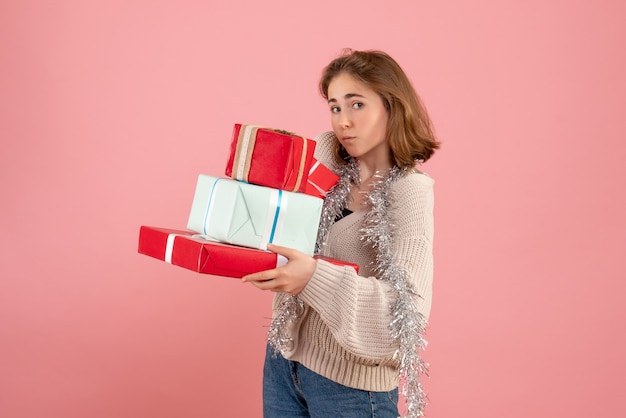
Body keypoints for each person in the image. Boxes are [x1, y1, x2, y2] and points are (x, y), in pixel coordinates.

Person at [242, 49, 440, 418]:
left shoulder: (409, 191)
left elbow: (406, 315)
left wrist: (312, 277)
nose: (343, 122)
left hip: (352, 390)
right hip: (283, 365)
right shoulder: (322, 165)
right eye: (335, 108)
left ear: (392, 108)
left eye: (357, 105)